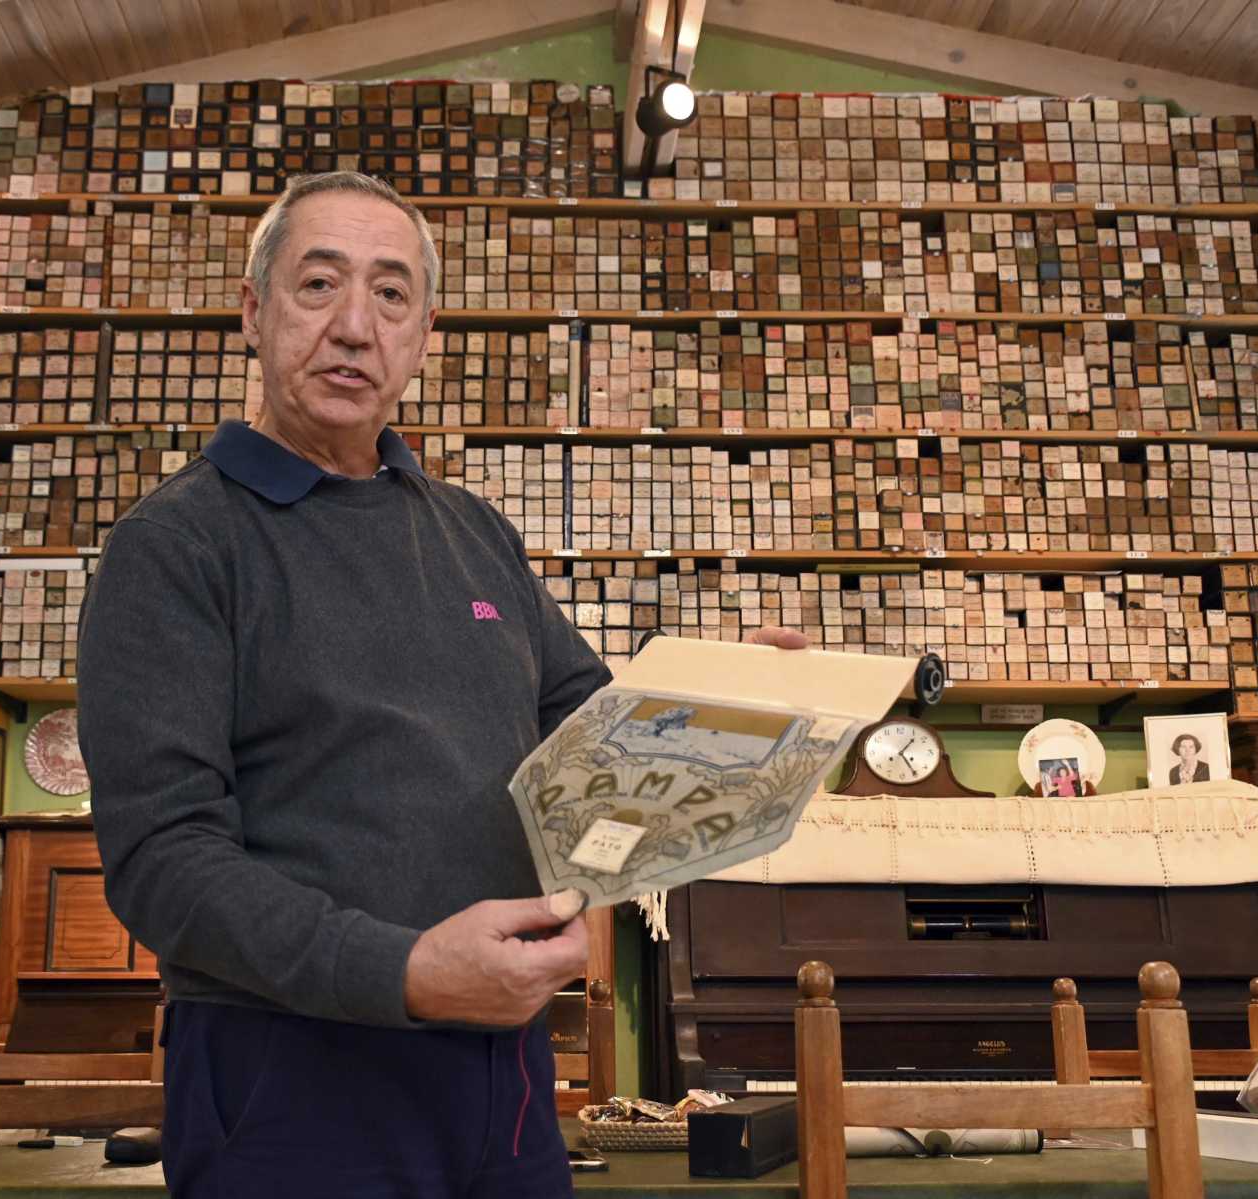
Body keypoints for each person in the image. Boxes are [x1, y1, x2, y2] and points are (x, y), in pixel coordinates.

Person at [75, 171, 807, 1199]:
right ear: (253, 310)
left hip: (503, 1077)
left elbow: (592, 744)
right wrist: (404, 970)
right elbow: (161, 860)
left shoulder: (473, 533)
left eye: (389, 294)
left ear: (423, 331)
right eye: (318, 284)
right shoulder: (178, 545)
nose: (352, 326)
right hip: (289, 1079)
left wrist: (733, 700)